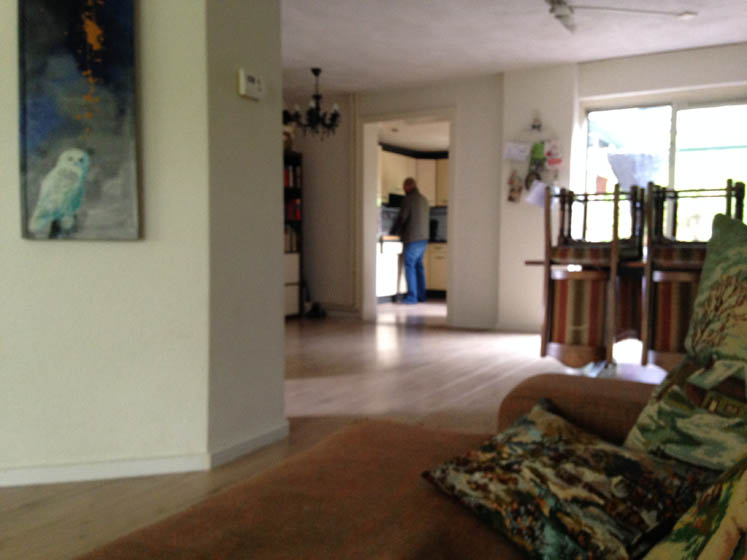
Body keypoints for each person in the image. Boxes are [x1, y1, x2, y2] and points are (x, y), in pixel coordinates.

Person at [390, 177, 430, 304]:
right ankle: (421, 296)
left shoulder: (408, 199)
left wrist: (393, 231)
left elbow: (402, 217)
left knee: (410, 266)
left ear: (407, 187)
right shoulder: (424, 199)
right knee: (419, 267)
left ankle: (412, 297)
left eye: (404, 187)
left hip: (412, 238)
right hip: (423, 239)